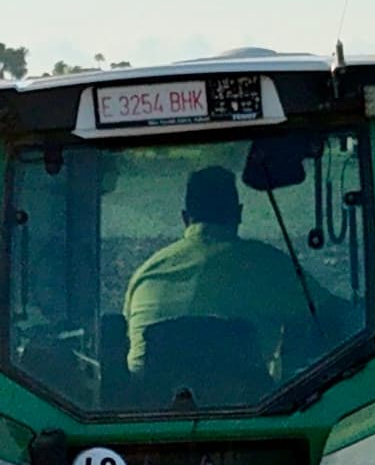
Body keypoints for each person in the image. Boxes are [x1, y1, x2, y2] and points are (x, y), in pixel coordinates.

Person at [121, 163, 304, 387]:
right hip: (246, 408)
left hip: (148, 410)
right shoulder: (272, 266)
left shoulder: (144, 275)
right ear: (238, 213)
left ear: (184, 217)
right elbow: (331, 318)